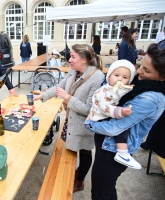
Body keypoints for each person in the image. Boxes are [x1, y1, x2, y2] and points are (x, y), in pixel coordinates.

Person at [85, 43, 165, 199]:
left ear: (163, 78)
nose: (139, 71)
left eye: (147, 70)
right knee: (107, 190)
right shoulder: (143, 84)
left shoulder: (151, 98)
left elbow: (115, 128)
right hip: (108, 147)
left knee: (99, 194)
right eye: (141, 65)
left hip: (112, 152)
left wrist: (90, 123)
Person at [33, 44, 105, 193]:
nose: (69, 59)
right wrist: (42, 96)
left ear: (84, 60)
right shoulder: (74, 71)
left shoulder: (97, 77)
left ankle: (79, 181)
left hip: (85, 124)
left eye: (73, 56)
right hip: (71, 120)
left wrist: (67, 98)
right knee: (72, 151)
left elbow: (90, 110)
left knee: (85, 152)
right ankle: (73, 174)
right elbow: (59, 86)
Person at [89, 60, 141, 169]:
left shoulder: (115, 88)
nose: (120, 79)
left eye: (125, 77)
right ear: (109, 77)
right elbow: (105, 108)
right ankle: (122, 153)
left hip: (104, 116)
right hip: (101, 117)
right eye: (116, 75)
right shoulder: (105, 91)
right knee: (122, 128)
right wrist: (120, 111)